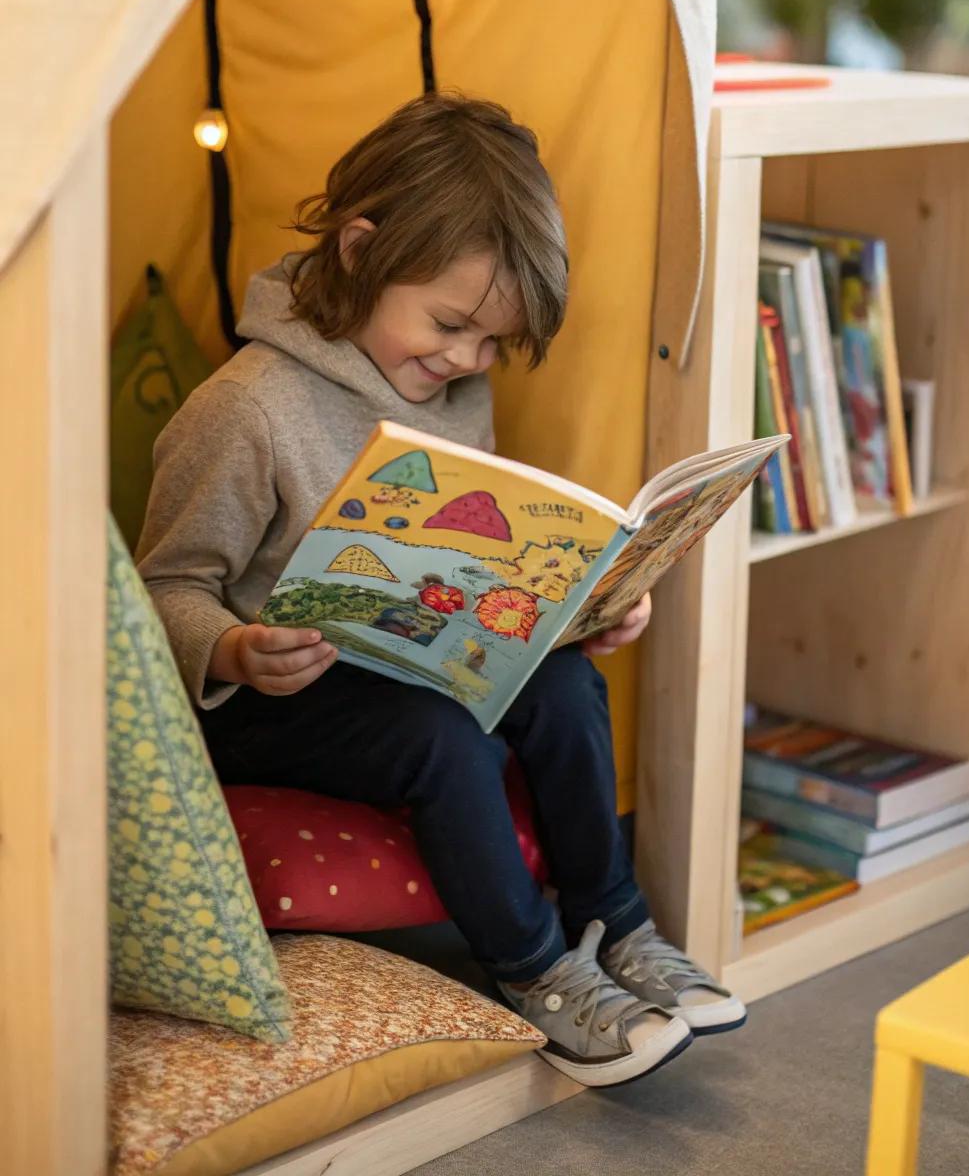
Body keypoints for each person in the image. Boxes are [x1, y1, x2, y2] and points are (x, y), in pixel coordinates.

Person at [137, 92, 746, 1087]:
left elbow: (467, 572)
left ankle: (616, 920)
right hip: (268, 699)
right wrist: (238, 649)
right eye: (452, 324)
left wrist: (576, 611)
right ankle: (535, 967)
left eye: (492, 343)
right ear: (358, 250)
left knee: (562, 690)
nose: (466, 360)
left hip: (404, 665)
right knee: (442, 742)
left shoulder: (451, 391)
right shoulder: (245, 409)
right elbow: (163, 588)